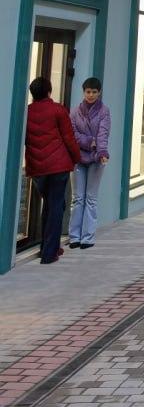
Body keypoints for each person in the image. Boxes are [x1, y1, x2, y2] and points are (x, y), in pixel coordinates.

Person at [24, 75, 81, 265]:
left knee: (48, 205)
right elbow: (69, 138)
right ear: (49, 92)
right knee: (56, 206)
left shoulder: (27, 112)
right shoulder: (58, 110)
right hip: (58, 166)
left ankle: (47, 247)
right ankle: (50, 253)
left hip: (38, 168)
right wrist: (77, 158)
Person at [69, 77, 111, 250]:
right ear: (83, 92)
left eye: (94, 92)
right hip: (78, 159)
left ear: (99, 92)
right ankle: (74, 237)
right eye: (88, 92)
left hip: (96, 159)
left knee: (91, 199)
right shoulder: (74, 112)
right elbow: (72, 134)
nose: (91, 95)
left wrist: (102, 152)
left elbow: (103, 133)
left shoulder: (104, 112)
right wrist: (88, 141)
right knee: (78, 198)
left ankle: (88, 237)